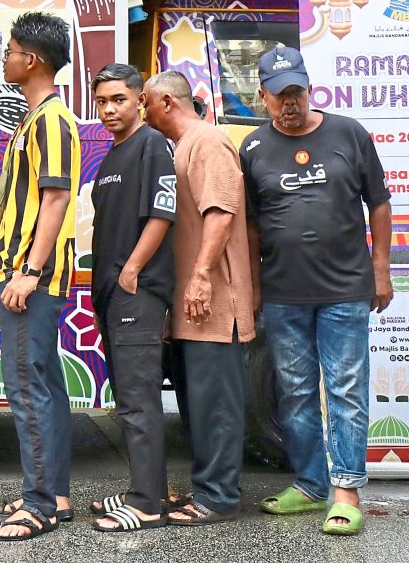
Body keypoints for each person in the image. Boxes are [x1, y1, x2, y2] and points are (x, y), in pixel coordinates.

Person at [240, 46, 392, 536]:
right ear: (261, 96)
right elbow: (251, 227)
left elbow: (380, 205)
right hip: (283, 294)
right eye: (280, 94)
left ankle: (345, 491)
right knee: (296, 391)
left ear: (310, 89)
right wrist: (253, 287)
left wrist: (381, 269)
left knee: (345, 389)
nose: (291, 102)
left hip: (346, 289)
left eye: (298, 91)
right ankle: (309, 485)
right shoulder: (253, 149)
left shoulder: (348, 132)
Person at [142, 70, 255, 526]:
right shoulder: (182, 147)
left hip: (215, 304)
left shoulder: (206, 141)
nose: (142, 110)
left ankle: (219, 498)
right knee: (198, 405)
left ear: (167, 102)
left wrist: (202, 276)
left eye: (146, 102)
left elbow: (221, 214)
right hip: (193, 307)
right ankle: (208, 488)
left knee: (216, 405)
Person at [0, 12, 79, 542]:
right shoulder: (34, 118)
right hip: (19, 272)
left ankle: (39, 505)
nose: (6, 59)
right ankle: (55, 494)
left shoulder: (51, 120)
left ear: (33, 60)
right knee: (43, 384)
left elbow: (57, 196)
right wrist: (1, 268)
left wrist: (27, 272)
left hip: (32, 279)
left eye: (10, 50)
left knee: (26, 388)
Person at [87, 64, 176, 533]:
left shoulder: (152, 145)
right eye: (102, 101)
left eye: (118, 99)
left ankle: (146, 505)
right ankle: (147, 488)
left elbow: (163, 213)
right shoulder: (111, 155)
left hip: (137, 292)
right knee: (127, 398)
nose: (109, 109)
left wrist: (132, 271)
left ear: (140, 99)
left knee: (140, 400)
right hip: (112, 293)